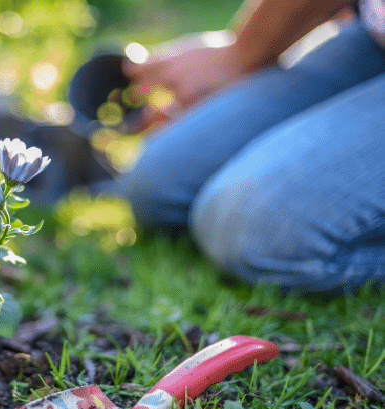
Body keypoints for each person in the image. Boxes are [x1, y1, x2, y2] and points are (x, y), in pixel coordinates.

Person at [99, 0, 385, 292]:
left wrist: (242, 55)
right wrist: (240, 56)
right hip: (373, 37)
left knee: (255, 232)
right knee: (157, 183)